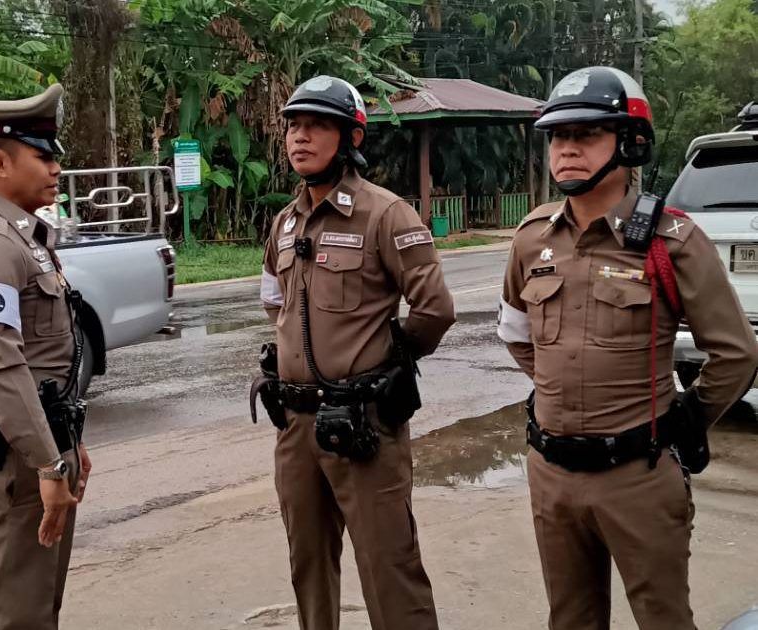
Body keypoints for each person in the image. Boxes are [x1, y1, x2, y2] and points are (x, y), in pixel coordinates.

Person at [497, 65, 758, 629]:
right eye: (558, 137)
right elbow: (516, 333)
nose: (567, 149)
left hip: (637, 476)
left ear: (631, 143)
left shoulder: (673, 241)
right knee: (570, 619)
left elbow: (736, 353)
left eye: (587, 134)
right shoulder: (532, 238)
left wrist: (688, 419)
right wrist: (563, 391)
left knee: (662, 618)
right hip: (552, 474)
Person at [255, 75, 455, 630]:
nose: (300, 137)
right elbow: (273, 299)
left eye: (317, 126)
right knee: (308, 566)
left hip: (364, 425)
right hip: (296, 428)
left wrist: (387, 362)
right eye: (294, 126)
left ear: (351, 138)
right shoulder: (285, 222)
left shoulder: (385, 214)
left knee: (390, 569)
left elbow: (435, 310)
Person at [0, 83, 92, 630]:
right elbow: (5, 366)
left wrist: (69, 444)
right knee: (16, 614)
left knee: (38, 605)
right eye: (42, 155)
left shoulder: (24, 236)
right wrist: (48, 462)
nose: (56, 167)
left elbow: (47, 359)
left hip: (44, 442)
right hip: (21, 458)